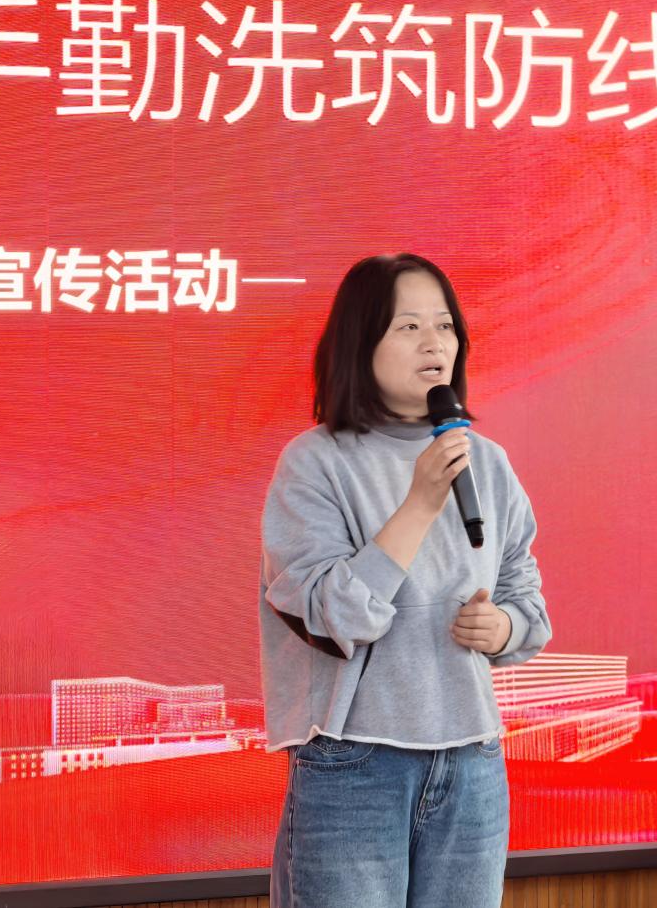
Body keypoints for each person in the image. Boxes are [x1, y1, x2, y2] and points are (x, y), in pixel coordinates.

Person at [259, 252, 552, 908]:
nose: (434, 344)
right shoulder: (315, 463)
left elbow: (525, 596)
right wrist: (419, 504)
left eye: (445, 326)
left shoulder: (487, 462)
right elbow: (333, 617)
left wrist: (503, 627)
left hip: (473, 760)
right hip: (355, 765)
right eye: (409, 327)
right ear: (359, 343)